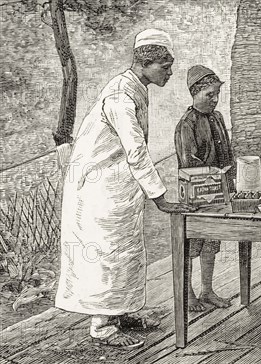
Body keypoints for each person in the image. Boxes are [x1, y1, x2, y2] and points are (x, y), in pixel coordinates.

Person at [55, 29, 197, 349]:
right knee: (107, 255)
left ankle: (121, 313)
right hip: (98, 186)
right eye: (164, 65)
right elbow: (135, 149)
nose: (170, 72)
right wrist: (161, 199)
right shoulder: (120, 94)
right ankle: (102, 327)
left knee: (127, 252)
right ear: (144, 64)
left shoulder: (137, 87)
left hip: (119, 185)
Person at [174, 65, 233, 312]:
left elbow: (227, 152)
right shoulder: (186, 124)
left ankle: (207, 290)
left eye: (217, 93)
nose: (215, 99)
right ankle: (188, 295)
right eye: (209, 94)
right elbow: (188, 164)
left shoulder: (217, 118)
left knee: (211, 242)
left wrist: (229, 174)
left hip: (219, 194)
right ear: (195, 93)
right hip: (196, 195)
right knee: (192, 246)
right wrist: (215, 175)